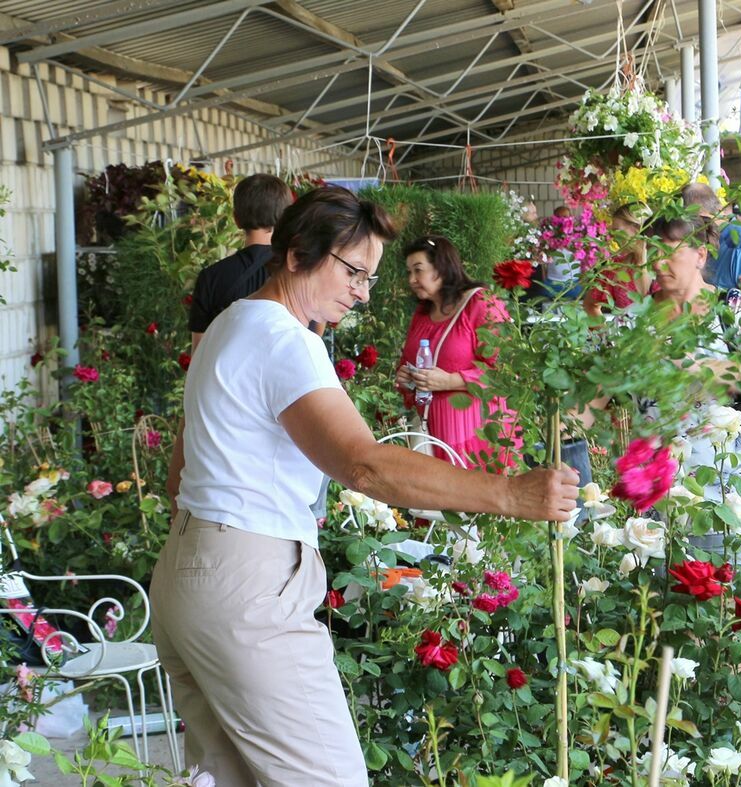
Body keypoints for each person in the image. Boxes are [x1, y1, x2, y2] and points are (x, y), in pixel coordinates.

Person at [157, 187, 578, 786]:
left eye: (372, 278)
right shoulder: (284, 339)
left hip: (187, 572)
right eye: (354, 271)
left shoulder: (229, 324)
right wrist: (512, 494)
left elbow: (178, 469)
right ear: (298, 254)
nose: (361, 290)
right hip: (245, 584)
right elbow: (363, 465)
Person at [639, 211, 741, 572]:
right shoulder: (637, 319)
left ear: (701, 256)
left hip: (730, 497)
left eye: (669, 251)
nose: (657, 262)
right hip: (661, 502)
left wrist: (701, 368)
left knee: (732, 612)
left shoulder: (731, 307)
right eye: (651, 251)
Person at [395, 236, 517, 469]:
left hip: (475, 434)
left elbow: (506, 371)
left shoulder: (480, 303)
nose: (411, 279)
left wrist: (451, 380)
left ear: (441, 267)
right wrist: (405, 376)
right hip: (432, 433)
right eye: (409, 272)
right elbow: (409, 360)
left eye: (418, 270)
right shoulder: (422, 313)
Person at [188, 173, 294, 353]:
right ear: (286, 218)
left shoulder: (210, 277)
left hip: (228, 379)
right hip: (281, 378)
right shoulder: (295, 271)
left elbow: (200, 352)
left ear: (236, 219)